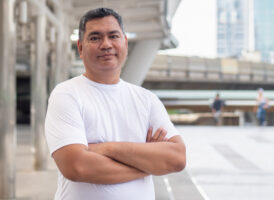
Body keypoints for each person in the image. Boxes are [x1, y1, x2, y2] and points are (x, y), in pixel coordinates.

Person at [44, 7, 186, 200]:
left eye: (113, 36)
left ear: (125, 43)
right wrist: (148, 164)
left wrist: (106, 148)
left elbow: (177, 158)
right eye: (95, 38)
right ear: (80, 48)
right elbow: (77, 166)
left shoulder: (146, 99)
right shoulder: (67, 94)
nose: (106, 44)